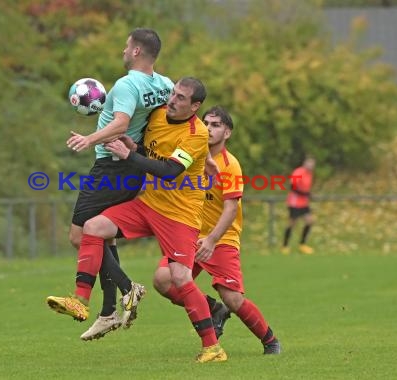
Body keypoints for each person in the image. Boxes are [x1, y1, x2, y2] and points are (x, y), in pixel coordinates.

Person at [50, 77, 228, 363]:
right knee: (93, 227)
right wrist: (134, 147)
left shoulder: (196, 134)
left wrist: (129, 156)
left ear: (195, 106)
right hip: (148, 205)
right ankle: (80, 300)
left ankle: (212, 347)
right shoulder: (158, 115)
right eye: (173, 93)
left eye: (181, 98)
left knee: (180, 278)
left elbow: (169, 170)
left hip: (179, 215)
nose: (172, 99)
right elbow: (151, 152)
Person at [46, 28, 174, 339]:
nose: (123, 50)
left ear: (137, 52)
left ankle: (129, 289)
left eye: (126, 46)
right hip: (132, 168)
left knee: (79, 236)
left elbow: (121, 123)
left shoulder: (128, 84)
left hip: (111, 169)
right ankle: (107, 312)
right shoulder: (165, 85)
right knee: (103, 234)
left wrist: (89, 138)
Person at [153, 105, 281, 355]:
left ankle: (270, 340)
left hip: (221, 239)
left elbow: (231, 209)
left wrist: (211, 240)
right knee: (162, 280)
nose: (209, 129)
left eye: (216, 125)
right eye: (206, 123)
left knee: (233, 299)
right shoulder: (190, 156)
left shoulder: (230, 165)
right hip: (190, 235)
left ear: (227, 133)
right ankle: (213, 309)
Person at [281, 156, 316, 255]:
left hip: (304, 203)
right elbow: (292, 186)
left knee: (310, 221)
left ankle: (302, 244)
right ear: (305, 162)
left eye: (313, 163)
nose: (311, 165)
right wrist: (305, 194)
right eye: (309, 162)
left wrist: (308, 194)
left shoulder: (310, 174)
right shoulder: (298, 172)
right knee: (292, 223)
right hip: (295, 202)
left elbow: (306, 188)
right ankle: (285, 245)